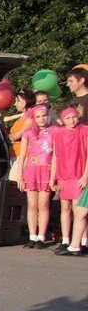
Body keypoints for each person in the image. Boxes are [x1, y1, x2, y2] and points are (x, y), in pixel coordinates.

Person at [49, 107, 88, 252]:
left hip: (79, 174)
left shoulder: (84, 130)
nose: (72, 121)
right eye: (68, 118)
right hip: (63, 175)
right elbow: (55, 157)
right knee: (65, 208)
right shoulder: (58, 133)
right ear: (63, 120)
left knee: (80, 210)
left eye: (74, 117)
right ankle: (66, 240)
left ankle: (82, 241)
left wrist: (85, 176)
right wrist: (52, 178)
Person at [17, 104, 54, 248]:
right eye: (38, 116)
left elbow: (56, 155)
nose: (41, 119)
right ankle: (32, 236)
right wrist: (20, 176)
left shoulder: (55, 131)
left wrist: (53, 175)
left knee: (43, 204)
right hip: (31, 171)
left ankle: (41, 236)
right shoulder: (28, 133)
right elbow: (22, 156)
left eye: (44, 115)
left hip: (46, 170)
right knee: (32, 205)